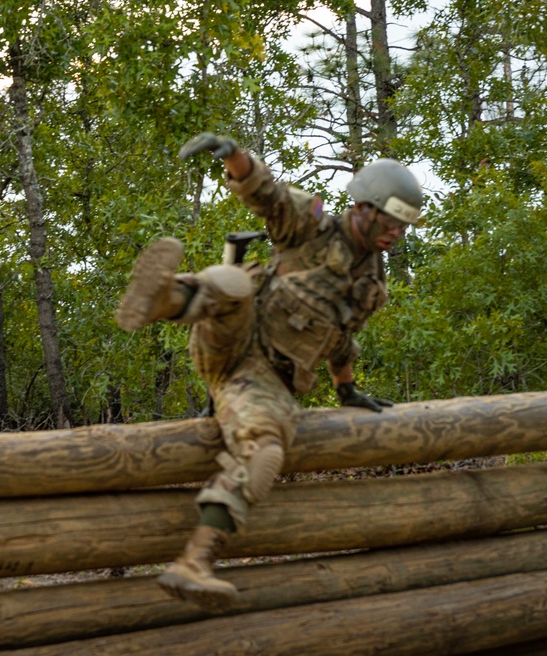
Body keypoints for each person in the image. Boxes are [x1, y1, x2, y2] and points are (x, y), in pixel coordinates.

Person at [116, 133, 422, 613]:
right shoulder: (314, 228)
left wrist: (348, 389)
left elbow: (340, 338)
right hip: (234, 335)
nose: (395, 234)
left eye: (404, 228)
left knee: (265, 452)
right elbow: (269, 196)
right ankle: (163, 298)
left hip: (263, 380)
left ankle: (194, 562)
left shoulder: (372, 282)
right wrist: (235, 156)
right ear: (363, 208)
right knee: (234, 282)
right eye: (389, 222)